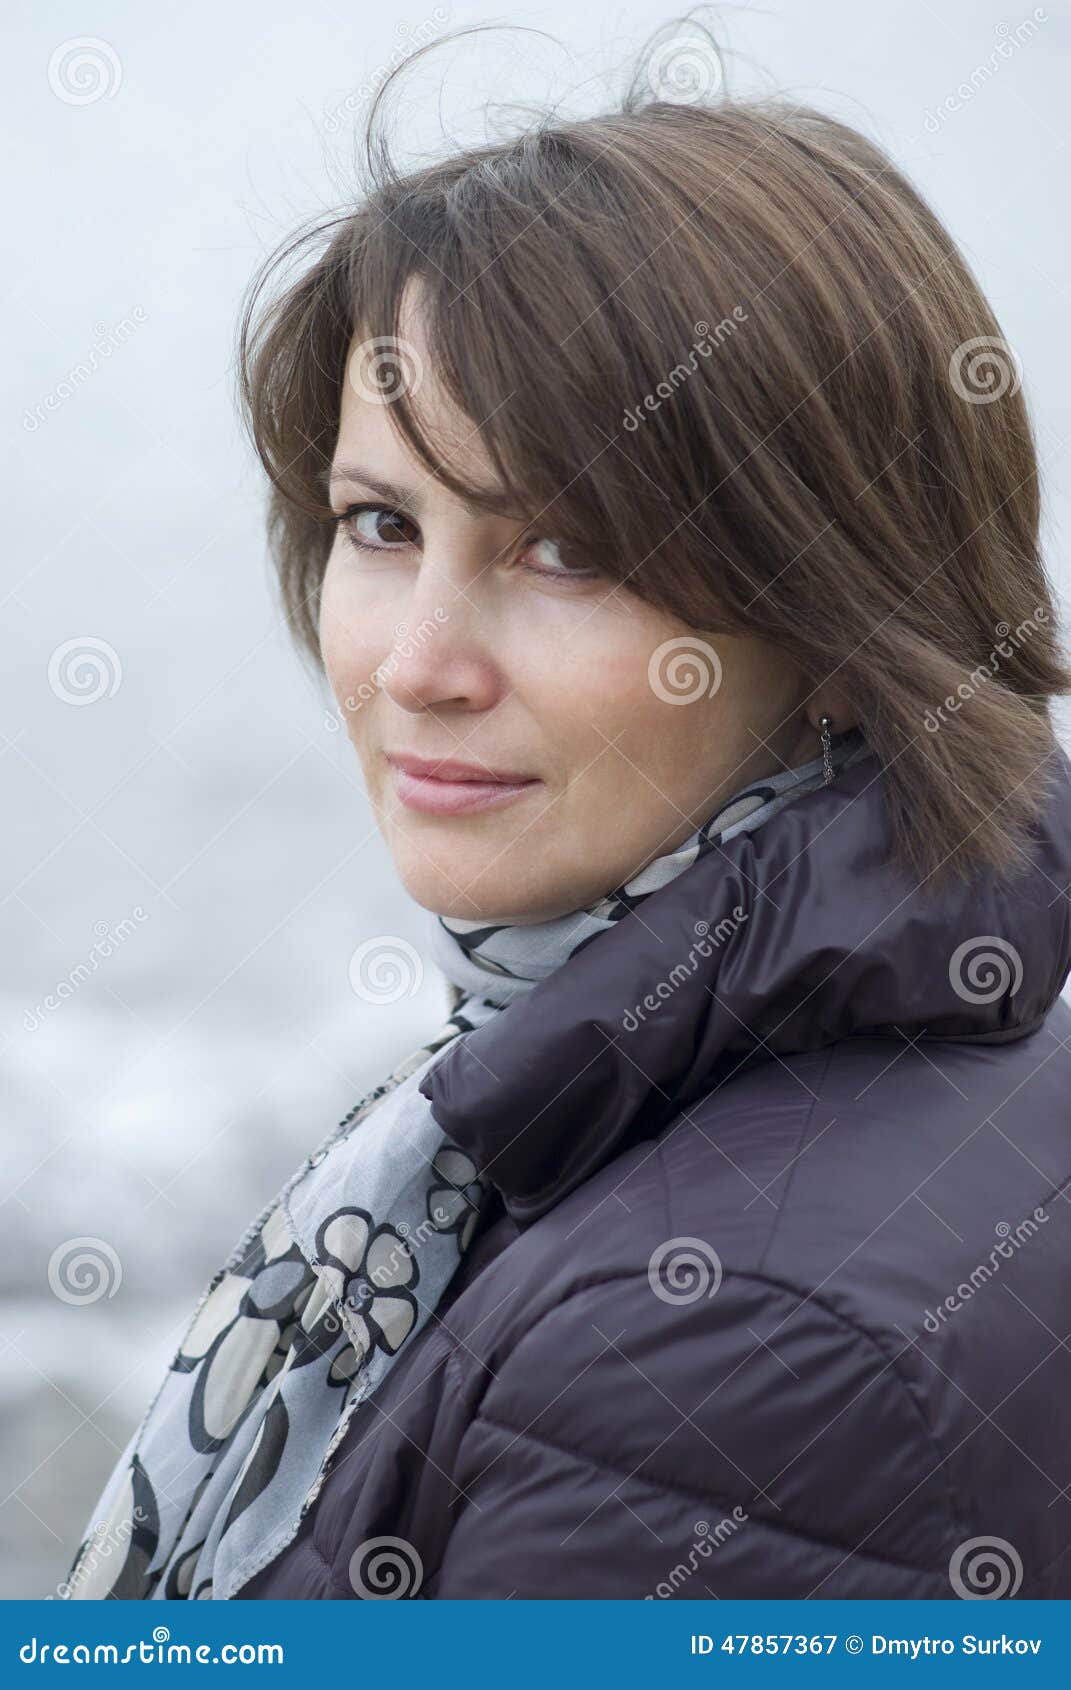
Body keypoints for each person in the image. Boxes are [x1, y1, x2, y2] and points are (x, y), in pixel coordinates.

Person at [60, 27, 1071, 1600]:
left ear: (839, 626)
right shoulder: (973, 1026)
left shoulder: (718, 1365)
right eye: (380, 523)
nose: (417, 664)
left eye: (567, 551)